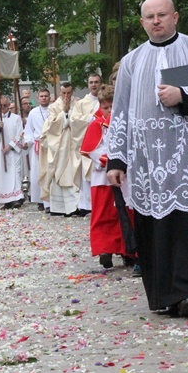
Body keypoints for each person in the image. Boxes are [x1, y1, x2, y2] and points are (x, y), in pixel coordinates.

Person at [106, 0, 188, 317]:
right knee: (157, 230)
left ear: (175, 17)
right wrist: (117, 160)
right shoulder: (132, 62)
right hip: (148, 163)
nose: (156, 21)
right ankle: (165, 295)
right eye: (150, 17)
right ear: (142, 23)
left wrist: (184, 96)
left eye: (162, 14)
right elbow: (119, 114)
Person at [80, 84, 136, 270]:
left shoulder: (124, 122)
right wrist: (109, 159)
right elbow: (91, 148)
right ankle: (105, 250)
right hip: (102, 177)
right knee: (104, 214)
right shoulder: (95, 124)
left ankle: (127, 250)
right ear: (100, 106)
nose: (110, 111)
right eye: (106, 107)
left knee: (124, 213)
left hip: (123, 176)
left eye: (113, 107)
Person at [38, 82, 79, 216]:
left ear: (72, 92)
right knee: (58, 173)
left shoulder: (78, 103)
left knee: (74, 173)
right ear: (59, 92)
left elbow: (79, 121)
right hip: (59, 145)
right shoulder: (53, 106)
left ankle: (76, 206)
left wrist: (70, 113)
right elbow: (52, 125)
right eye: (63, 93)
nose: (66, 96)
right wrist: (64, 113)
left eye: (69, 93)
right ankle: (59, 207)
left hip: (73, 144)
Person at [70, 73, 102, 217]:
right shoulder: (82, 103)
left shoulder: (105, 100)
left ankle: (98, 204)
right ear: (88, 84)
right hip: (87, 143)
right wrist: (90, 118)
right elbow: (74, 121)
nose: (94, 85)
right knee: (86, 175)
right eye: (91, 82)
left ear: (100, 83)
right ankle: (86, 205)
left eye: (96, 82)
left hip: (102, 143)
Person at [0, 95, 24, 209]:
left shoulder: (16, 118)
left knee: (15, 174)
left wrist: (10, 146)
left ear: (8, 105)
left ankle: (17, 198)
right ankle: (6, 200)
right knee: (2, 174)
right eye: (0, 106)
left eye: (4, 105)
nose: (2, 108)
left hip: (12, 151)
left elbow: (20, 134)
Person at [24, 88, 51, 211]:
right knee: (37, 174)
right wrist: (29, 141)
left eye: (46, 96)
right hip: (38, 146)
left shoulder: (54, 110)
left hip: (51, 145)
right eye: (42, 96)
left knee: (50, 173)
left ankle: (51, 201)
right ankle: (40, 200)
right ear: (38, 98)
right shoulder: (33, 113)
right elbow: (29, 131)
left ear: (49, 97)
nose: (44, 98)